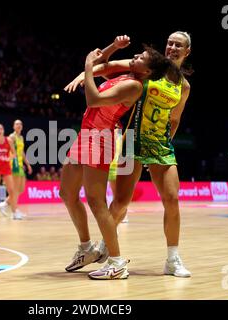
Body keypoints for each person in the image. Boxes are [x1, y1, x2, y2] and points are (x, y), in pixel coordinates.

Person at [65, 31, 193, 277]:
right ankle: (106, 248)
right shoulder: (149, 67)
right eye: (170, 43)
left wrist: (165, 144)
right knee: (121, 202)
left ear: (186, 52)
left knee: (172, 200)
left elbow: (174, 119)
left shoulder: (183, 87)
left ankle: (172, 260)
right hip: (133, 141)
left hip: (161, 145)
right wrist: (86, 72)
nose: (172, 47)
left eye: (178, 45)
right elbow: (110, 66)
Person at [0, 120, 32, 219]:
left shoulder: (21, 137)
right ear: (13, 126)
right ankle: (15, 212)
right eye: (17, 124)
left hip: (20, 165)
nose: (19, 125)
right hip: (14, 165)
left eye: (20, 124)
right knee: (15, 190)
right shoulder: (11, 137)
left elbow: (21, 152)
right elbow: (10, 151)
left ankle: (4, 204)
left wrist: (28, 164)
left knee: (21, 189)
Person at [107, 127, 128, 223]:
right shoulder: (108, 136)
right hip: (109, 167)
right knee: (113, 194)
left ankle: (122, 215)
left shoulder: (120, 137)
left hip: (116, 168)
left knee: (117, 195)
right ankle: (113, 215)